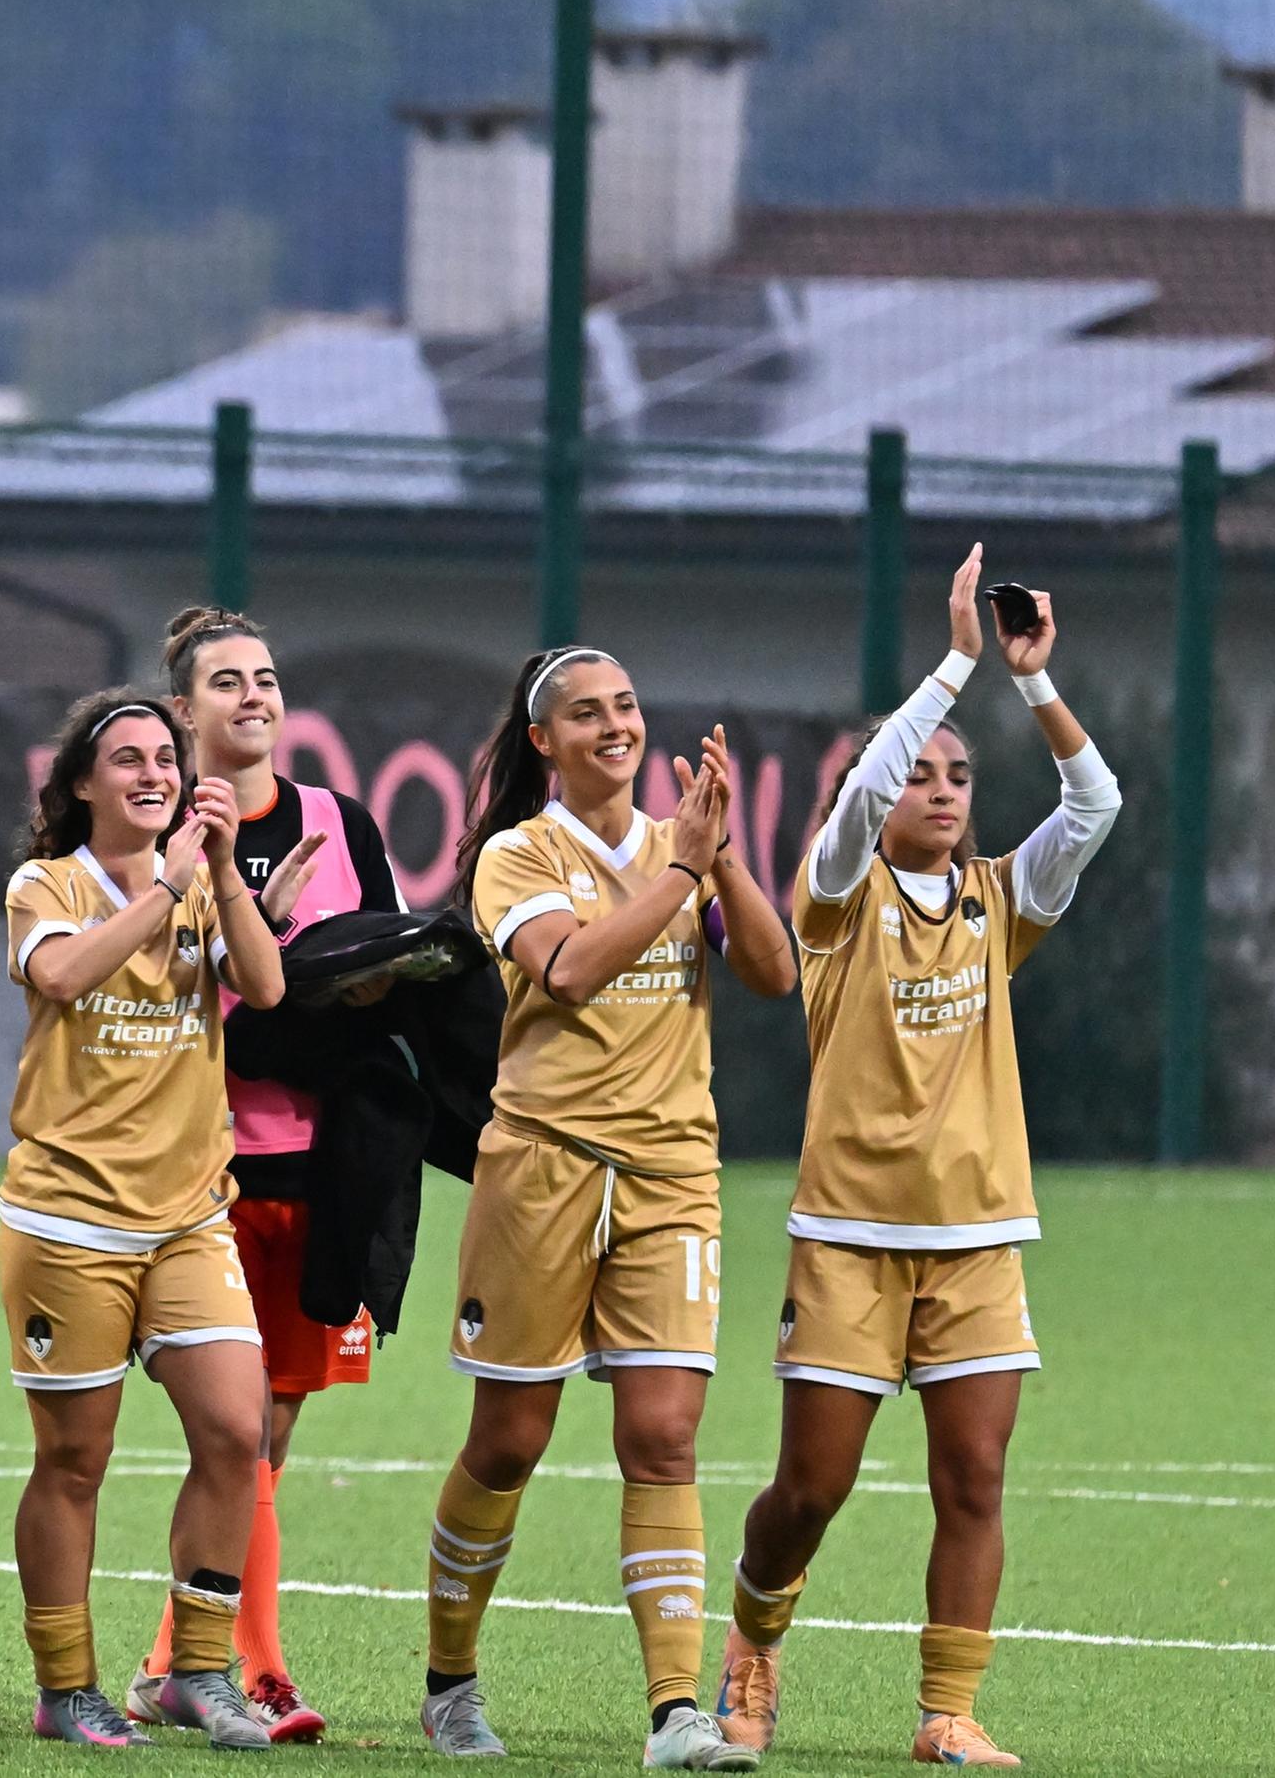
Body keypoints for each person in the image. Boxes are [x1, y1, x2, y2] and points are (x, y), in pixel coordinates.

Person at [714, 548, 1117, 1770]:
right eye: (920, 773)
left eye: (960, 775)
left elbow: (1095, 805)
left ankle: (948, 1710)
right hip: (849, 1236)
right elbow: (855, 801)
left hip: (979, 1237)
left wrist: (1032, 681)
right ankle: (752, 1643)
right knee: (810, 1489)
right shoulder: (835, 899)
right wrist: (953, 664)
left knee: (976, 1477)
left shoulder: (1001, 898)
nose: (940, 788)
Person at [418, 646, 797, 1767]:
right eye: (586, 713)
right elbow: (572, 970)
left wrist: (722, 859)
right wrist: (682, 871)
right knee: (509, 1441)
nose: (615, 725)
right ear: (545, 741)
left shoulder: (684, 849)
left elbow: (774, 974)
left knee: (663, 1435)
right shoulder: (517, 854)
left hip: (671, 1175)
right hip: (542, 1169)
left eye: (626, 705)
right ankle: (449, 1682)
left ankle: (676, 1711)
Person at [128, 606, 399, 1744]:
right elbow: (141, 1002)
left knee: (267, 1438)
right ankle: (260, 1671)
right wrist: (268, 956)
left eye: (266, 678)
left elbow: (389, 974)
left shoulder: (342, 823)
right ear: (181, 710)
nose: (253, 696)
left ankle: (169, 1664)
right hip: (201, 1178)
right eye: (227, 681)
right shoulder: (155, 836)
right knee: (236, 1437)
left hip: (322, 1173)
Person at [0, 691, 287, 1751]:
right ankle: (64, 1686)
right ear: (83, 782)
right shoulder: (46, 884)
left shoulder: (201, 880)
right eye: (128, 759)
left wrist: (220, 874)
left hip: (188, 1216)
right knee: (75, 1458)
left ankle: (195, 1672)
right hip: (68, 1219)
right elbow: (65, 972)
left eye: (166, 757)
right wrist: (166, 884)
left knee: (236, 1430)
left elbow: (265, 985)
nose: (155, 774)